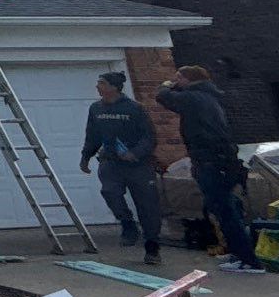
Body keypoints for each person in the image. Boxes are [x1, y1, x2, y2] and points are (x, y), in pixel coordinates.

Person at [156, 65, 265, 274]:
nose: (175, 80)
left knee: (225, 211)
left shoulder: (194, 98)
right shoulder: (208, 97)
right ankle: (238, 254)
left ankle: (249, 260)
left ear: (189, 79)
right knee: (225, 208)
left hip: (212, 163)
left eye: (179, 77)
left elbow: (163, 96)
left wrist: (166, 85)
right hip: (221, 162)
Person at [78, 71, 162, 265]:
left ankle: (152, 247)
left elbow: (149, 137)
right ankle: (127, 223)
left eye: (101, 83)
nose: (97, 87)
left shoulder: (134, 109)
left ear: (113, 87)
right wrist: (85, 157)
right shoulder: (96, 109)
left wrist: (135, 153)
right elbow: (92, 135)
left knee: (147, 206)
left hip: (137, 165)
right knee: (110, 192)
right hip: (110, 162)